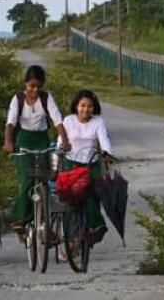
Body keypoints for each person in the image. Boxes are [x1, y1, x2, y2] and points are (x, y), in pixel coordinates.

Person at [3, 65, 71, 232]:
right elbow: (11, 122)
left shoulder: (46, 98)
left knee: (44, 180)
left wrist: (64, 140)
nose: (35, 90)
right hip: (23, 141)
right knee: (27, 180)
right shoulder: (18, 99)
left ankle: (45, 224)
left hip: (42, 141)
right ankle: (21, 218)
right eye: (31, 86)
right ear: (26, 84)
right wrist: (8, 142)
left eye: (38, 86)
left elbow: (57, 120)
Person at [57, 89, 110, 247]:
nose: (86, 109)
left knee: (92, 192)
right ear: (76, 106)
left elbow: (104, 139)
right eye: (82, 105)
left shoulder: (98, 122)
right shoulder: (68, 121)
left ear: (94, 108)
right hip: (71, 162)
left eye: (90, 106)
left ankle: (95, 227)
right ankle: (73, 239)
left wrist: (106, 153)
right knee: (72, 200)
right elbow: (61, 140)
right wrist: (62, 146)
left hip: (90, 163)